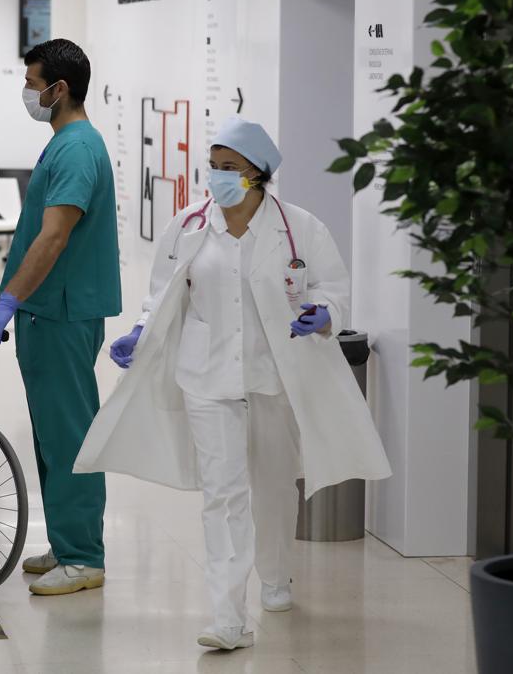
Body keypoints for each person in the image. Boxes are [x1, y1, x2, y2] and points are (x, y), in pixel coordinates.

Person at [74, 118, 392, 650]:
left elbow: (333, 287)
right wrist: (140, 330)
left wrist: (325, 313)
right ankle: (227, 617)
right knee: (222, 494)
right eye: (214, 167)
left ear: (258, 174)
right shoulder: (188, 226)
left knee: (274, 484)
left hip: (275, 375)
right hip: (207, 375)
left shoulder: (300, 228)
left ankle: (275, 576)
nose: (218, 178)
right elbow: (161, 294)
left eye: (231, 169)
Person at [0, 39, 121, 596]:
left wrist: (10, 297)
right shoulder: (63, 143)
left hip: (59, 312)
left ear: (59, 89)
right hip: (46, 311)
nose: (28, 95)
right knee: (50, 436)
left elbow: (55, 235)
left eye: (33, 84)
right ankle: (66, 542)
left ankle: (84, 556)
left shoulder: (78, 150)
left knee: (70, 434)